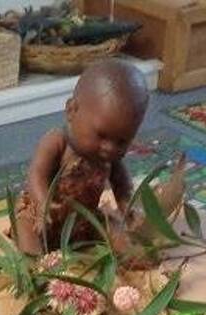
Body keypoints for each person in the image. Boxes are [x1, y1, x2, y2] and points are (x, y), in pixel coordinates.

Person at [15, 57, 150, 254]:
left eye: (121, 141)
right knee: (26, 230)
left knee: (116, 229)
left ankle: (132, 260)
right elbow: (37, 174)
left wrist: (127, 208)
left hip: (83, 219)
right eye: (101, 135)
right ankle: (37, 269)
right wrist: (43, 204)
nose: (110, 148)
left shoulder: (110, 160)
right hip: (43, 214)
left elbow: (123, 188)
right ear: (71, 110)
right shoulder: (57, 141)